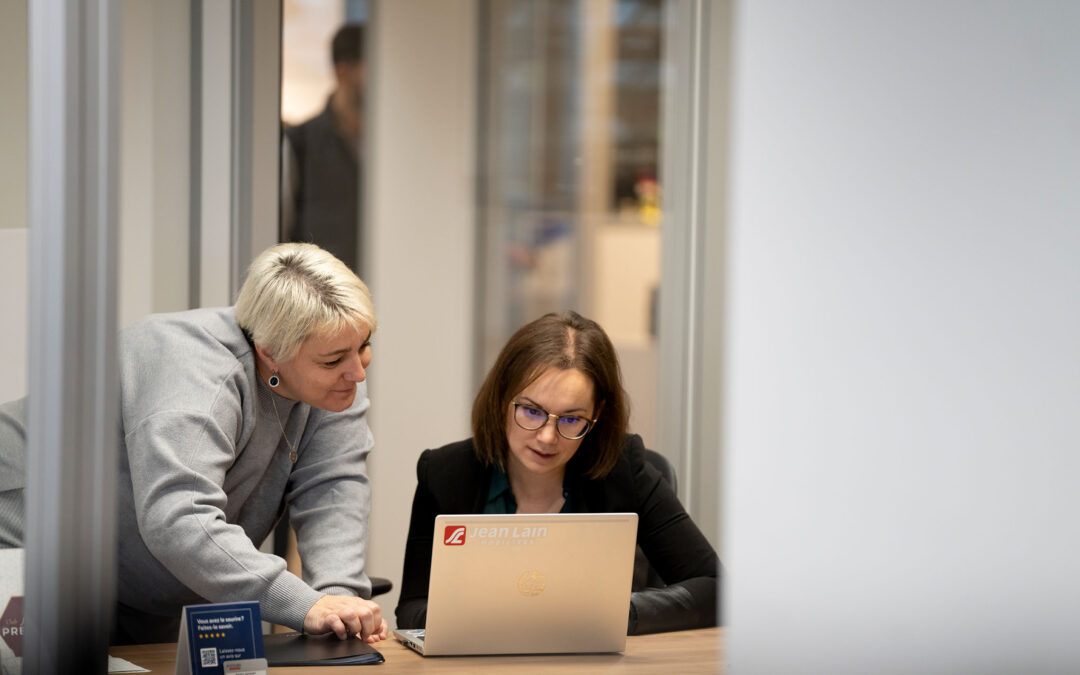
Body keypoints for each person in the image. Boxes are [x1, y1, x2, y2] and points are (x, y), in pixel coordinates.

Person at [0, 242, 388, 645]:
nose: (357, 372)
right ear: (270, 351)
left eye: (364, 346)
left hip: (136, 578)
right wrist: (303, 605)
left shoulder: (333, 376)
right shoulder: (193, 374)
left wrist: (339, 601)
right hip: (24, 546)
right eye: (334, 360)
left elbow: (333, 489)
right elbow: (180, 518)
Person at [395, 311, 722, 634]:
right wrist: (490, 619)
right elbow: (412, 608)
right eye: (531, 411)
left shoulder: (623, 469)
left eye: (571, 419)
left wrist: (616, 613)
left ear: (597, 414)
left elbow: (716, 589)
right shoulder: (444, 473)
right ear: (501, 399)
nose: (547, 437)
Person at [281, 23, 365, 273]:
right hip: (322, 301)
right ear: (343, 72)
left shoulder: (392, 149)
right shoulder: (300, 142)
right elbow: (281, 230)